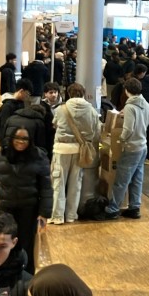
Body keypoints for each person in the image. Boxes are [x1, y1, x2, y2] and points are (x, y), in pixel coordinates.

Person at [0, 127, 52, 274]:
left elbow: (46, 187)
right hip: (5, 209)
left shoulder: (38, 157)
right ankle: (3, 274)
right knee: (3, 243)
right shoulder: (2, 155)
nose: (21, 142)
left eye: (25, 139)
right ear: (11, 139)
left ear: (30, 140)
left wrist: (44, 213)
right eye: (17, 138)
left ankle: (26, 276)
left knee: (26, 244)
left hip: (28, 209)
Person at [50, 84, 101, 226]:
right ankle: (71, 215)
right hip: (80, 150)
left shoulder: (61, 109)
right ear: (83, 93)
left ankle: (57, 216)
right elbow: (96, 131)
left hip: (62, 149)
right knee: (75, 184)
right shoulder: (92, 110)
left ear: (69, 93)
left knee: (58, 183)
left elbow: (55, 125)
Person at [104, 78, 149, 220]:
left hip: (131, 147)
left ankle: (113, 209)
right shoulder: (146, 104)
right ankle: (134, 207)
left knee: (121, 180)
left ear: (126, 90)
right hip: (142, 146)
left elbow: (128, 129)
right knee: (137, 178)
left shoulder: (130, 107)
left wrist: (121, 139)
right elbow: (145, 123)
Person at [0, 81, 34, 145]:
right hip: (8, 142)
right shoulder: (7, 106)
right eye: (27, 94)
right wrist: (5, 144)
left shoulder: (21, 104)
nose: (27, 97)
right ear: (21, 91)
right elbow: (3, 126)